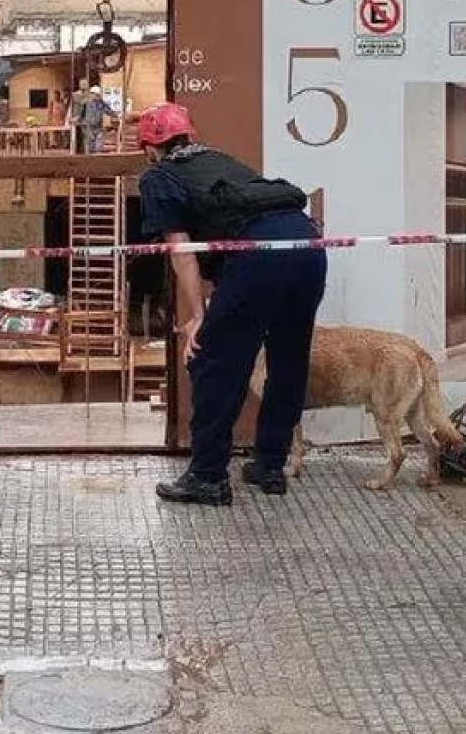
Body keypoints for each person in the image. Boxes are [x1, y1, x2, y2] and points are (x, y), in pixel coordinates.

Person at [134, 101, 327, 505]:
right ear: (190, 135)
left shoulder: (159, 176)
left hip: (259, 255)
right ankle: (270, 466)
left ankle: (207, 476)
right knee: (289, 358)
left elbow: (183, 252)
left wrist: (198, 318)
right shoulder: (219, 160)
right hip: (307, 246)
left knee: (215, 362)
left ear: (149, 147)